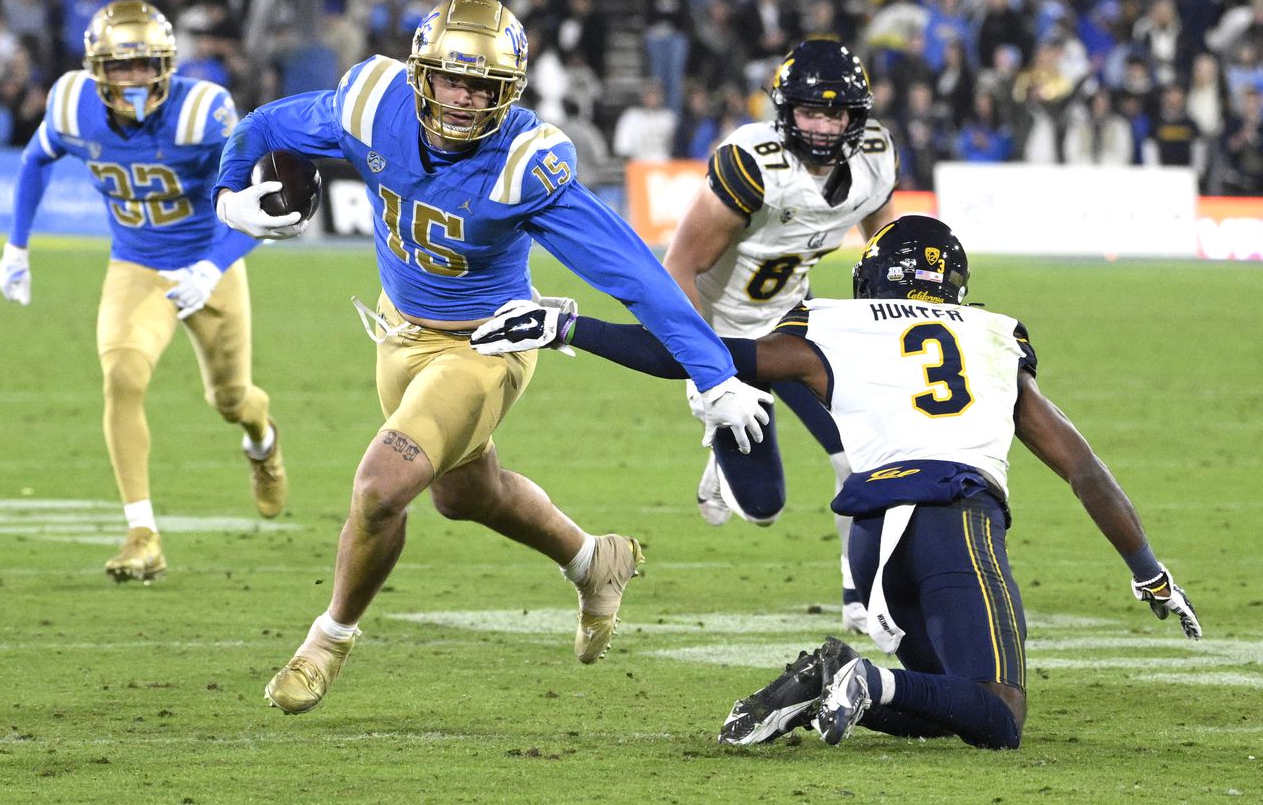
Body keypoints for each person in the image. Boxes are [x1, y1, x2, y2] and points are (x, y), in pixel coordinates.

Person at [210, 0, 770, 715]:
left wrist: (714, 371)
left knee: (383, 485)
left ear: (510, 91)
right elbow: (263, 126)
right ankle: (593, 560)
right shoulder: (372, 104)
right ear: (422, 74)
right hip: (398, 331)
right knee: (462, 492)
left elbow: (634, 273)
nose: (466, 98)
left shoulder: (524, 163)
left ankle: (326, 640)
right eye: (451, 78)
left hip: (485, 346)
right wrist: (230, 195)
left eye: (483, 86)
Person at [469, 214, 1203, 751]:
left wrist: (570, 328)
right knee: (998, 713)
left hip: (875, 536)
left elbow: (699, 354)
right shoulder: (991, 335)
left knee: (944, 699)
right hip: (954, 518)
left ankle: (831, 679)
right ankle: (860, 675)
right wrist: (1149, 572)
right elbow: (1082, 467)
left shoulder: (834, 325)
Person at [0, 0, 288, 583]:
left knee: (231, 401)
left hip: (210, 263)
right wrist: (16, 246)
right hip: (135, 264)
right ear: (95, 68)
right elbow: (35, 160)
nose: (132, 79)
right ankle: (142, 533)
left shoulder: (204, 112)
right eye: (120, 67)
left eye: (145, 65)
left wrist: (211, 267)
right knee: (122, 376)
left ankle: (263, 440)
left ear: (168, 64)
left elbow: (262, 208)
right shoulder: (73, 104)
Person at [661, 39, 896, 636]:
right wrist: (708, 375)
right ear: (784, 112)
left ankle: (862, 600)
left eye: (834, 113)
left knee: (865, 455)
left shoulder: (874, 156)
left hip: (796, 324)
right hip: (725, 339)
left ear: (855, 117)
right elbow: (678, 269)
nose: (820, 127)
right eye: (808, 113)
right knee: (762, 509)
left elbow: (885, 247)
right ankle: (721, 444)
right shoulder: (752, 163)